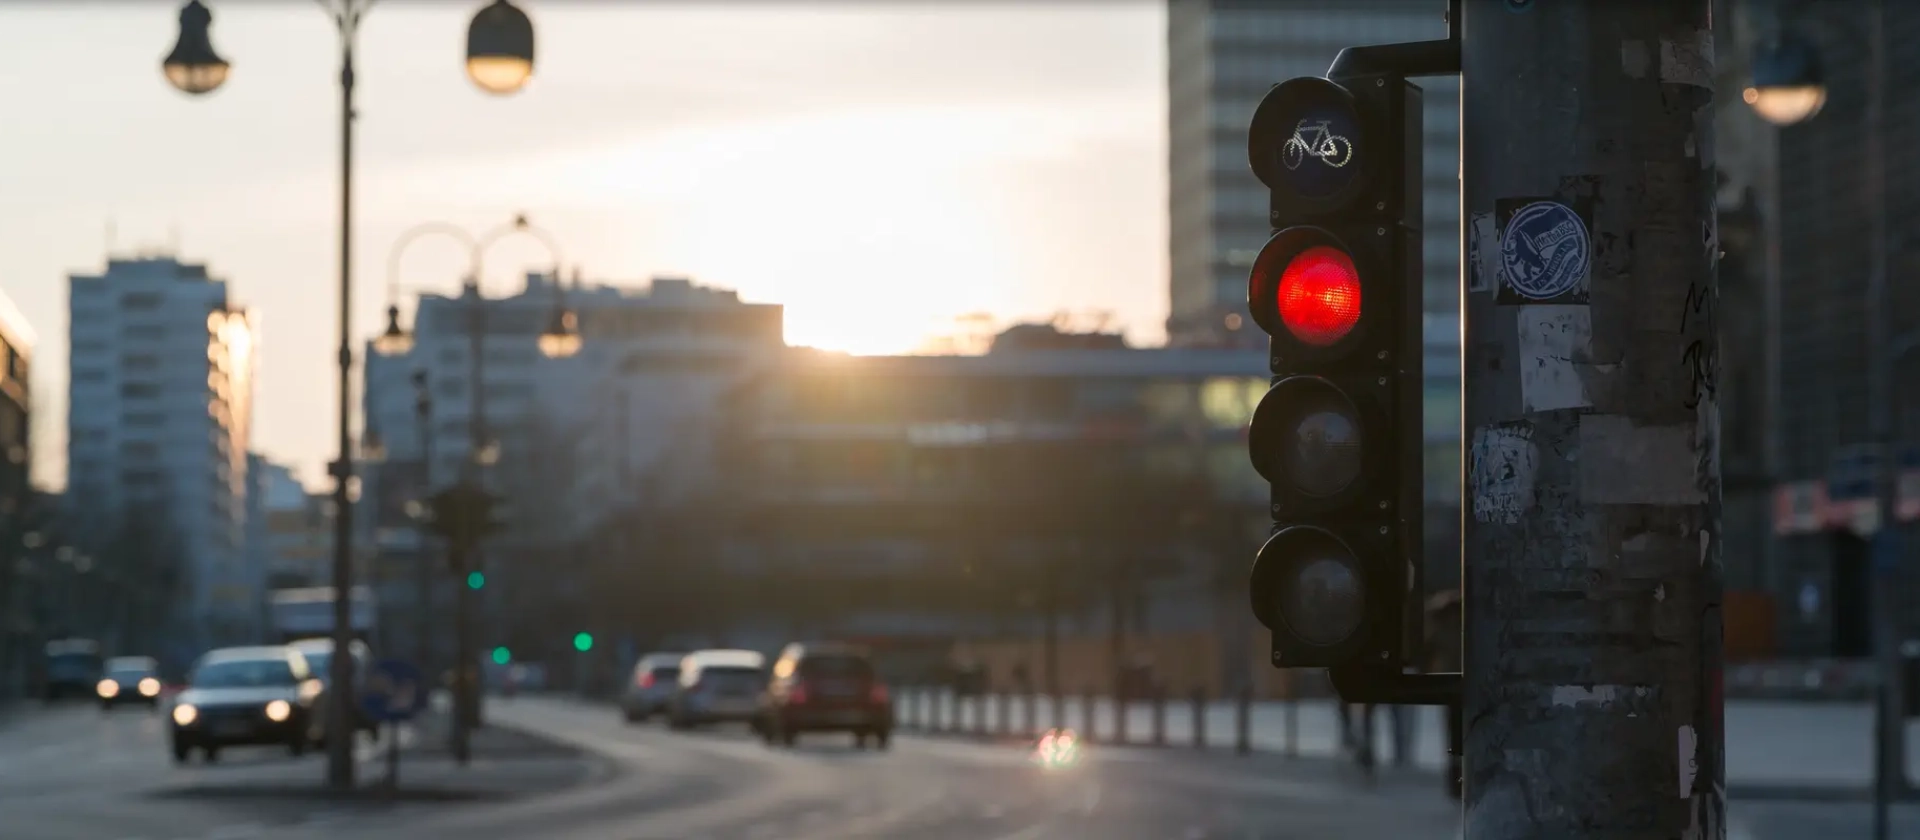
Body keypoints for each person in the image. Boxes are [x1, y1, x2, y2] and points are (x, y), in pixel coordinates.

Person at [1424, 589, 1464, 800]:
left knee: (1454, 733)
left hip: (1451, 685)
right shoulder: (1457, 630)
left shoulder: (1445, 629)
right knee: (1456, 733)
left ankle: (1456, 775)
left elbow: (1428, 651)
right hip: (1456, 685)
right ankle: (1456, 775)